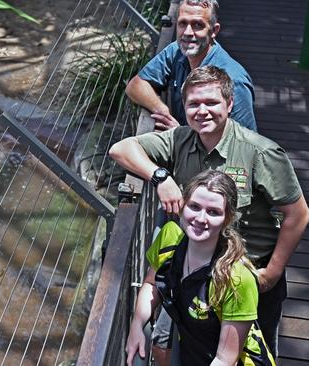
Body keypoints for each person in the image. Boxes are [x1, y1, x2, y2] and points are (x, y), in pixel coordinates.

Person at [110, 65, 309, 359]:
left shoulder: (261, 153)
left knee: (254, 352)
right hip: (197, 270)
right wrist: (160, 177)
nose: (202, 111)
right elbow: (121, 149)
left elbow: (298, 214)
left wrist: (272, 272)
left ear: (229, 104)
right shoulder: (180, 139)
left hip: (248, 273)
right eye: (193, 104)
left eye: (211, 102)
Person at [125, 170, 276, 366]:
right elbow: (151, 284)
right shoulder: (171, 238)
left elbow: (225, 359)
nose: (201, 218)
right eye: (194, 207)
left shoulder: (237, 279)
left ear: (227, 219)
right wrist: (137, 325)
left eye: (213, 212)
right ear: (182, 206)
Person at [125, 0, 256, 131]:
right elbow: (135, 86)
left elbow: (244, 145)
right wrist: (162, 110)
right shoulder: (176, 51)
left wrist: (183, 135)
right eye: (183, 23)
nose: (187, 32)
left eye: (197, 25)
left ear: (214, 30)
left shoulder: (235, 81)